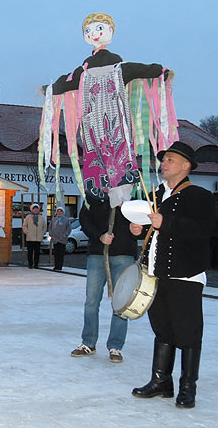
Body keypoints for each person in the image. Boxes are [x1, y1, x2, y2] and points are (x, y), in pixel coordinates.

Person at [130, 142, 216, 409]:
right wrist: (137, 228)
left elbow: (206, 230)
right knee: (163, 330)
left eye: (169, 160)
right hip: (156, 273)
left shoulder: (199, 196)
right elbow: (152, 231)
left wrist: (167, 223)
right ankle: (161, 382)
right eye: (163, 160)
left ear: (185, 165)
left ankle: (187, 388)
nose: (163, 164)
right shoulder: (155, 194)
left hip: (185, 275)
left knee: (188, 332)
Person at [70, 196, 136, 363]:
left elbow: (143, 220)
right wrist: (98, 235)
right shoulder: (94, 193)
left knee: (120, 303)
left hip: (123, 252)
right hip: (97, 253)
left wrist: (134, 221)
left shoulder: (132, 194)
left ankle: (116, 345)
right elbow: (84, 218)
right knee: (91, 300)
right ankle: (88, 342)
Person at [22, 203, 46, 269]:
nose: (35, 210)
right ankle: (30, 264)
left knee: (37, 252)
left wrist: (42, 233)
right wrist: (27, 232)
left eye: (37, 209)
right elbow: (24, 226)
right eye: (34, 209)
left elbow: (44, 226)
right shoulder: (28, 217)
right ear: (31, 209)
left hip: (38, 238)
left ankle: (36, 264)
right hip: (30, 237)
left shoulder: (41, 217)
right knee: (30, 252)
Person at [49, 206, 71, 271]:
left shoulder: (66, 220)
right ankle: (56, 266)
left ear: (63, 212)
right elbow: (50, 227)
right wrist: (51, 234)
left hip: (62, 239)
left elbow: (68, 229)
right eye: (58, 211)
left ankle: (60, 266)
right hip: (55, 239)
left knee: (61, 253)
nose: (59, 213)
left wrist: (64, 235)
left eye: (60, 211)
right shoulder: (53, 219)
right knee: (56, 253)